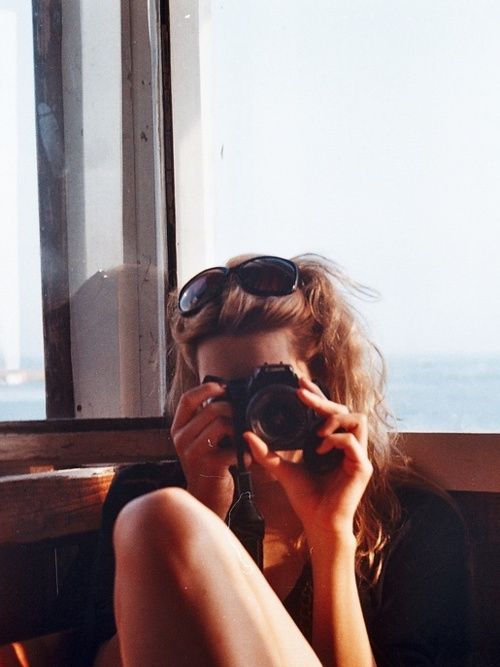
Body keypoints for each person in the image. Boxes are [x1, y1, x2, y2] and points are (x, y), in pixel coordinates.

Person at [83, 254, 472, 666]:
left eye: (270, 385)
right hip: (162, 514)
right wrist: (201, 516)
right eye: (223, 392)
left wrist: (331, 536)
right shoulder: (143, 499)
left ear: (320, 382)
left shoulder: (410, 517)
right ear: (192, 394)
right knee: (156, 515)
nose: (251, 409)